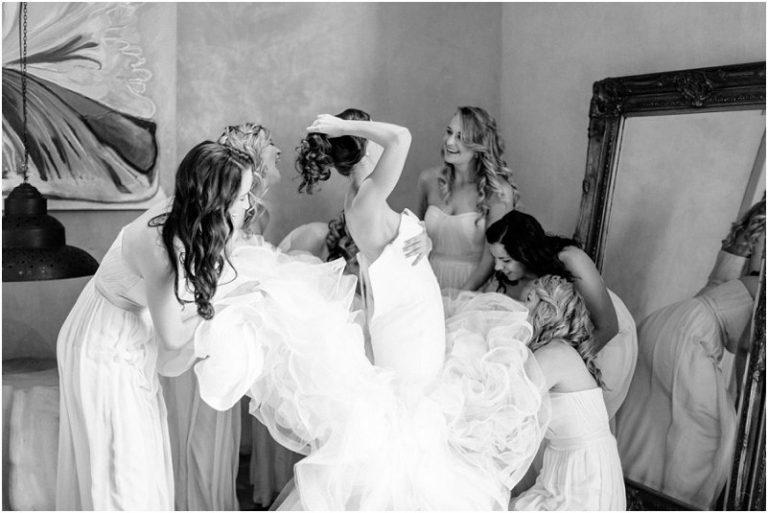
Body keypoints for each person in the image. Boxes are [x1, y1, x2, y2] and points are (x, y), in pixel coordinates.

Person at [183, 109, 549, 510]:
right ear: (364, 147)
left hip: (408, 316)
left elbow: (395, 242)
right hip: (409, 325)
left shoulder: (363, 195)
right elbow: (401, 135)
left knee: (415, 422)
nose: (380, 143)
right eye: (372, 139)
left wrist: (423, 236)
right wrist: (342, 127)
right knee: (412, 426)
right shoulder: (368, 194)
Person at [56, 141, 256, 510]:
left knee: (142, 453)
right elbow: (174, 336)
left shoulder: (186, 214)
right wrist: (228, 307)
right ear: (217, 200)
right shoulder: (161, 246)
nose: (249, 204)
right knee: (120, 463)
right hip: (103, 341)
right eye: (243, 196)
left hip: (133, 329)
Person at [159, 123, 280, 510]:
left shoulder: (238, 211)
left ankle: (208, 500)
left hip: (215, 324)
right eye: (273, 152)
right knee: (196, 425)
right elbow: (215, 274)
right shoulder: (206, 223)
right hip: (200, 328)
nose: (278, 159)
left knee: (212, 428)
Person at [615, 197, 764, 510]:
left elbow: (715, 286)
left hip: (671, 321)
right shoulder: (759, 285)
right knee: (713, 430)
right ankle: (680, 500)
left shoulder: (740, 258)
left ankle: (632, 485)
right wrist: (741, 402)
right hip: (689, 336)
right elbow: (747, 347)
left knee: (653, 413)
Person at [485, 209, 638, 421]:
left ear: (524, 252)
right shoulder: (510, 278)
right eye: (494, 258)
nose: (497, 267)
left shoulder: (570, 258)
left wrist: (565, 367)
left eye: (505, 260)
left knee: (581, 415)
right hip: (555, 346)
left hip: (601, 340)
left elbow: (608, 326)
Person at [510, 275, 626, 511]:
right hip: (575, 465)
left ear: (546, 308)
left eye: (528, 300)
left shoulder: (554, 355)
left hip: (583, 474)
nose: (519, 308)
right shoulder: (557, 350)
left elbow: (512, 406)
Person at [415, 106, 519, 291]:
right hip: (427, 283)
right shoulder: (428, 180)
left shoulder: (497, 192)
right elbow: (416, 236)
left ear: (479, 146)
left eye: (460, 137)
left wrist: (460, 297)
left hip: (474, 288)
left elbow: (490, 258)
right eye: (449, 132)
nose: (449, 142)